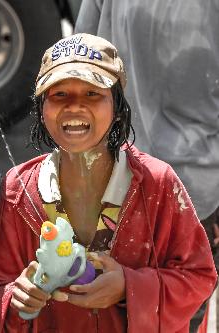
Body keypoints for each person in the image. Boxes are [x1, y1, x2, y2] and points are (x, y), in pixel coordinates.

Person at [0, 33, 217, 333]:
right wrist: (17, 297)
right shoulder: (19, 191)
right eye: (59, 95)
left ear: (117, 107)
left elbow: (198, 276)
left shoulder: (157, 184)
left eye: (93, 93)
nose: (75, 106)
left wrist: (128, 288)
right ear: (42, 110)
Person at [73, 3, 219, 330]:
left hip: (114, 179)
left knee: (104, 308)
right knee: (174, 309)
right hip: (195, 191)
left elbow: (77, 62)